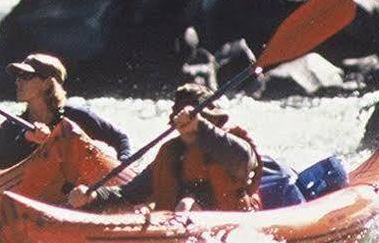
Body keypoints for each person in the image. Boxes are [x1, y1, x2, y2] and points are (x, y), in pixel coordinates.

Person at [68, 82, 262, 212]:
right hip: (175, 230)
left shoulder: (231, 142)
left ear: (214, 119)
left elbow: (245, 161)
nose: (187, 127)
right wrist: (94, 195)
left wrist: (201, 127)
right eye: (184, 121)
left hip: (229, 227)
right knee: (183, 205)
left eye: (194, 120)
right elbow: (128, 194)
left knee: (187, 204)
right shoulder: (172, 152)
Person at [0, 53, 132, 170]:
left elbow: (121, 138)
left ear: (47, 83)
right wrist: (26, 140)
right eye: (18, 76)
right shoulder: (11, 126)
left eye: (26, 76)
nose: (18, 82)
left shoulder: (77, 116)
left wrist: (123, 165)